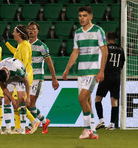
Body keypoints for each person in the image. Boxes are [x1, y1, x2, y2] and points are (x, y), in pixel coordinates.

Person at [62, 6, 108, 139]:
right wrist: (67, 69)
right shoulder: (77, 33)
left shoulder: (98, 31)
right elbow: (75, 51)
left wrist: (101, 71)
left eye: (84, 15)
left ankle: (88, 129)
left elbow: (105, 51)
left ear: (91, 17)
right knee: (86, 101)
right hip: (81, 72)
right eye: (80, 15)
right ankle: (93, 131)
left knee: (81, 98)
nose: (82, 18)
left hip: (93, 71)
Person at [2, 25, 40, 134]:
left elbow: (25, 63)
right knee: (13, 101)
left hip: (23, 77)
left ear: (19, 33)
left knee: (18, 102)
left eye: (14, 32)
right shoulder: (21, 45)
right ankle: (18, 128)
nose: (13, 34)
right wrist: (7, 43)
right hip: (18, 76)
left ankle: (33, 121)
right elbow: (16, 54)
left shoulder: (25, 46)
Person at [25, 21, 60, 134]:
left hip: (37, 78)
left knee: (29, 104)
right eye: (29, 29)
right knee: (30, 104)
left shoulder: (42, 46)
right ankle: (44, 121)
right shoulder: (24, 44)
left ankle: (32, 125)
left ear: (37, 31)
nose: (31, 31)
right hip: (26, 78)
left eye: (33, 29)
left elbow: (49, 63)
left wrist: (54, 79)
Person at [0, 57, 39, 135]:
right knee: (6, 100)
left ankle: (22, 129)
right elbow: (3, 87)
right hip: (11, 78)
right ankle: (8, 129)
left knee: (21, 99)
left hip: (19, 79)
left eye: (6, 80)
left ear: (8, 73)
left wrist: (28, 97)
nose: (6, 82)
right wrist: (12, 99)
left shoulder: (17, 70)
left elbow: (27, 82)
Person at [95, 32, 125, 130]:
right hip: (116, 77)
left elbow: (101, 60)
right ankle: (112, 124)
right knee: (114, 101)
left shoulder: (105, 48)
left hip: (106, 76)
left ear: (107, 38)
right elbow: (122, 63)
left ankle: (101, 120)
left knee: (98, 99)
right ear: (115, 39)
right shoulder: (121, 49)